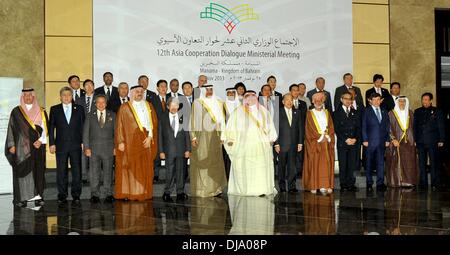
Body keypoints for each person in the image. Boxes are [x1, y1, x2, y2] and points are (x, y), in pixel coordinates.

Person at [223, 90, 278, 196]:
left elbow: (270, 126)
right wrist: (230, 141)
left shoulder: (264, 111)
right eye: (248, 96)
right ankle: (247, 189)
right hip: (244, 148)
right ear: (244, 99)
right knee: (246, 169)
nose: (251, 98)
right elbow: (230, 129)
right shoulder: (237, 112)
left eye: (253, 96)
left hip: (261, 147)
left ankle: (261, 189)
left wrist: (272, 138)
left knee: (260, 169)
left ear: (256, 98)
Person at [5, 88, 48, 207]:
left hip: (37, 147)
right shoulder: (16, 111)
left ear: (34, 96)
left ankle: (38, 197)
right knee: (22, 172)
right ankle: (22, 199)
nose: (28, 97)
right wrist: (11, 144)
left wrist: (40, 141)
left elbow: (45, 129)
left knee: (37, 171)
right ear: (22, 97)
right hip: (20, 148)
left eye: (30, 95)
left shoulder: (41, 110)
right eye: (26, 95)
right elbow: (11, 129)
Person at [114, 85, 158, 201]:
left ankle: (142, 192)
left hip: (145, 141)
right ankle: (130, 192)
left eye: (141, 91)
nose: (139, 93)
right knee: (131, 168)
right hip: (129, 143)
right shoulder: (125, 107)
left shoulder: (149, 105)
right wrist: (120, 141)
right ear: (132, 93)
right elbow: (119, 125)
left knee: (143, 167)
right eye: (137, 91)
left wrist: (150, 138)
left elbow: (153, 123)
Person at [49, 87, 85, 204]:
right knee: (61, 171)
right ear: (60, 97)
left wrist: (84, 142)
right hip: (60, 146)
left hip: (76, 145)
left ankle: (76, 195)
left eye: (69, 95)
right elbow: (51, 128)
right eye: (64, 95)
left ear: (72, 96)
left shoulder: (79, 109)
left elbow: (83, 127)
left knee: (77, 171)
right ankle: (62, 195)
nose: (66, 97)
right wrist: (52, 143)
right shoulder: (54, 109)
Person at [189, 85, 227, 197]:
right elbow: (192, 120)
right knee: (203, 159)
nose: (209, 92)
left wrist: (223, 136)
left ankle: (215, 188)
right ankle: (202, 189)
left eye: (211, 90)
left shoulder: (219, 103)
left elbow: (223, 122)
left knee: (215, 162)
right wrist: (193, 136)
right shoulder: (197, 103)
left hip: (216, 136)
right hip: (202, 137)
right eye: (207, 90)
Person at [83, 95, 116, 203]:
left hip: (108, 149)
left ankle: (108, 193)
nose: (101, 104)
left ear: (106, 104)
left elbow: (116, 133)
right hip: (93, 149)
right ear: (95, 104)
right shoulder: (89, 116)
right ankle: (94, 194)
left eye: (103, 102)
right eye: (98, 102)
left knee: (108, 172)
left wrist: (115, 147)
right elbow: (86, 133)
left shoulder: (113, 115)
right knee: (94, 173)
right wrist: (86, 148)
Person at [158, 97, 191, 202]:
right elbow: (159, 136)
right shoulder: (162, 118)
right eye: (172, 105)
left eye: (176, 105)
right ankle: (167, 192)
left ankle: (180, 192)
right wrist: (161, 151)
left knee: (181, 171)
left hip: (181, 149)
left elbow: (187, 134)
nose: (174, 107)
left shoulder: (183, 117)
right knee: (169, 172)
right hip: (168, 150)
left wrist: (188, 149)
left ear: (178, 106)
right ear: (168, 106)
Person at [302, 92, 335, 194]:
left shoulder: (327, 112)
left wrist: (327, 136)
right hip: (315, 143)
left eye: (320, 100)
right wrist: (320, 137)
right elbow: (309, 129)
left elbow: (331, 126)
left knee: (325, 165)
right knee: (314, 163)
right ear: (312, 101)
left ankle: (325, 185)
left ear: (323, 101)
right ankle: (314, 185)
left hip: (326, 142)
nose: (318, 102)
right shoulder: (309, 113)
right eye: (316, 100)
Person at [414, 93, 445, 191]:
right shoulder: (417, 111)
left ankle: (435, 183)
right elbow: (415, 127)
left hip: (433, 141)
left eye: (427, 99)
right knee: (421, 163)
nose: (425, 101)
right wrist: (415, 139)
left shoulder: (437, 111)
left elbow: (441, 126)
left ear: (431, 100)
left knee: (434, 163)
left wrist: (441, 139)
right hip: (420, 141)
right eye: (423, 99)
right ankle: (423, 183)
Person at [385, 96, 419, 188]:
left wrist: (415, 140)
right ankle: (397, 182)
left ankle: (409, 181)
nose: (402, 103)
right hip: (396, 141)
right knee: (397, 162)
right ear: (397, 103)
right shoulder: (391, 114)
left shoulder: (410, 113)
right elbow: (388, 128)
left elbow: (415, 128)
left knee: (409, 162)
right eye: (400, 102)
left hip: (409, 142)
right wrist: (393, 139)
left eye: (404, 102)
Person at [274, 94, 303, 193]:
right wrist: (276, 144)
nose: (289, 102)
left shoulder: (297, 112)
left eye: (291, 100)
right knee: (281, 167)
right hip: (281, 145)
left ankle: (292, 186)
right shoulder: (278, 112)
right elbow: (275, 129)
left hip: (294, 145)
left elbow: (300, 128)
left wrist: (300, 143)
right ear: (283, 102)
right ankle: (282, 187)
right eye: (287, 100)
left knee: (292, 167)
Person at [362, 93, 390, 192]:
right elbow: (364, 126)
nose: (376, 101)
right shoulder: (366, 111)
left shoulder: (384, 111)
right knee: (369, 163)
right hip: (370, 142)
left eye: (378, 99)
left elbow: (387, 127)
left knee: (380, 163)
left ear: (381, 100)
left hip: (382, 142)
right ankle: (369, 183)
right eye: (374, 99)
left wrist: (387, 139)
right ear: (370, 101)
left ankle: (380, 183)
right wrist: (364, 139)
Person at [333, 91, 360, 191]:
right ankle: (343, 184)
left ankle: (351, 183)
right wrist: (346, 139)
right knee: (343, 164)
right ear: (341, 100)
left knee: (352, 164)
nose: (348, 101)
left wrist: (355, 139)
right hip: (343, 143)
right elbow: (337, 129)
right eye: (346, 99)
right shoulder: (336, 113)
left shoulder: (355, 112)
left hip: (353, 142)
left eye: (350, 99)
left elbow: (358, 128)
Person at [75, 79, 95, 184]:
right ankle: (83, 176)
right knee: (83, 154)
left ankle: (92, 175)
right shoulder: (78, 100)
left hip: (96, 131)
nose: (89, 87)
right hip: (83, 131)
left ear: (94, 87)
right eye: (86, 85)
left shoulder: (99, 98)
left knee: (94, 154)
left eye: (91, 85)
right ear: (83, 88)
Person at [151, 79, 170, 182]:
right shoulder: (152, 100)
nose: (163, 88)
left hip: (169, 132)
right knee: (157, 154)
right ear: (157, 88)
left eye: (165, 86)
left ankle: (170, 175)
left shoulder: (171, 99)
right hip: (157, 131)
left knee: (169, 153)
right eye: (161, 86)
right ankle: (156, 175)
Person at [222, 88, 241, 179]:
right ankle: (227, 177)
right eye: (228, 93)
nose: (230, 95)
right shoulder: (222, 106)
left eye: (232, 93)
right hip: (226, 136)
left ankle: (237, 177)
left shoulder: (240, 106)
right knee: (227, 157)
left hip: (238, 136)